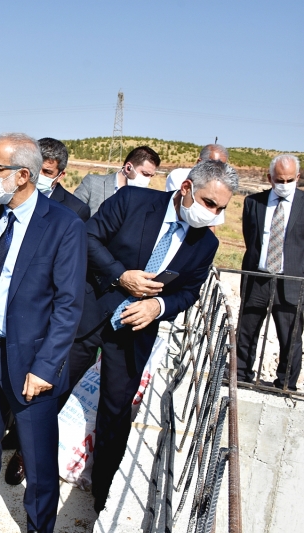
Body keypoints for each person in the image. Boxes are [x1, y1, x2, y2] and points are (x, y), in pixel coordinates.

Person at [68, 160, 237, 513]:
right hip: (91, 312)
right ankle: (25, 450)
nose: (214, 214)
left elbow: (188, 292)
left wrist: (158, 306)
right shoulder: (132, 201)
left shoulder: (205, 244)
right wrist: (121, 276)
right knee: (54, 384)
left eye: (222, 208)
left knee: (115, 413)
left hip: (134, 332)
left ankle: (102, 492)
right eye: (209, 203)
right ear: (187, 188)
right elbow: (88, 237)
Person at [0, 133, 86, 533]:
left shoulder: (64, 226)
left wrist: (46, 367)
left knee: (37, 455)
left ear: (23, 175)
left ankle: (39, 526)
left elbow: (68, 306)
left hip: (33, 361)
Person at [4, 137, 90, 486]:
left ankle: (26, 455)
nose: (40, 176)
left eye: (48, 172)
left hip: (44, 324)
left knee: (37, 401)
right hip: (8, 319)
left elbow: (68, 285)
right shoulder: (9, 199)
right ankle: (12, 433)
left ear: (60, 175)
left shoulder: (74, 212)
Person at [236, 154, 304, 390]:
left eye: (289, 180)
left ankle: (285, 384)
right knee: (247, 330)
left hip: (291, 281)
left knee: (290, 337)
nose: (284, 185)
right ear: (270, 178)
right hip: (259, 278)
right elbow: (250, 239)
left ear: (297, 177)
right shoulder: (254, 202)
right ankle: (240, 375)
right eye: (279, 180)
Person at [73, 145, 161, 216]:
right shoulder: (92, 183)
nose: (147, 179)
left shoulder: (143, 200)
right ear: (128, 168)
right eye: (145, 174)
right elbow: (71, 217)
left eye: (151, 176)